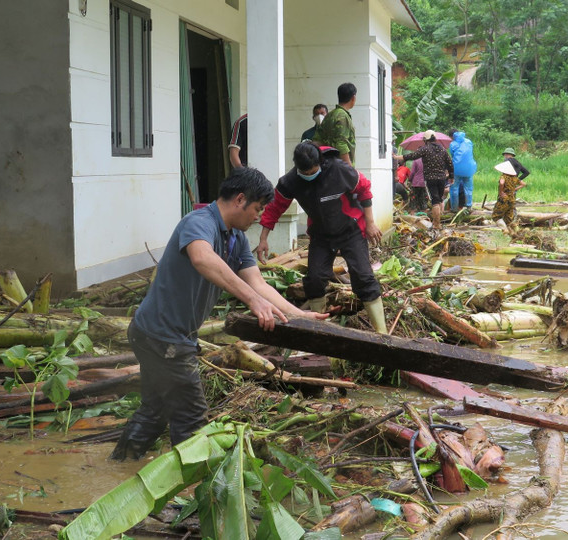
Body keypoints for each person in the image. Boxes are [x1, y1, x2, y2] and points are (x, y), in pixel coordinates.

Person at [110, 168, 328, 461]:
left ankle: (119, 465)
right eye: (257, 209)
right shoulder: (199, 222)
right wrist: (252, 301)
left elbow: (258, 283)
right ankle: (191, 491)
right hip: (162, 338)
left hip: (161, 336)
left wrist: (298, 316)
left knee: (155, 409)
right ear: (240, 199)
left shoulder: (235, 239)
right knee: (191, 416)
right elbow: (202, 257)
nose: (258, 217)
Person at [256, 142, 387, 332]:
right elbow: (274, 208)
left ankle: (382, 334)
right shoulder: (290, 181)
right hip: (321, 235)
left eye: (313, 172)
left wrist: (370, 222)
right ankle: (321, 329)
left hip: (351, 230)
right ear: (297, 167)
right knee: (315, 280)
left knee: (363, 277)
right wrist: (263, 239)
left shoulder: (339, 169)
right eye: (305, 173)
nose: (309, 176)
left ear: (320, 161)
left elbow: (364, 189)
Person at [395, 130, 453, 229]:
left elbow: (412, 156)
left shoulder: (425, 149)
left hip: (430, 179)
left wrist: (397, 157)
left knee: (434, 201)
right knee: (439, 200)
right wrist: (451, 176)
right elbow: (450, 163)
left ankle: (436, 224)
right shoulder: (443, 149)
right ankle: (437, 223)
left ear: (425, 140)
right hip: (441, 179)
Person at [314, 83, 357, 165]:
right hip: (340, 168)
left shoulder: (330, 115)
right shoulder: (342, 116)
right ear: (353, 98)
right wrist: (350, 170)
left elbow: (317, 141)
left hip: (327, 165)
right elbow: (341, 144)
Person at [490, 160, 527, 233]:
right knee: (509, 219)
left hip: (504, 199)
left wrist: (501, 192)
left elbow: (501, 183)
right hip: (512, 199)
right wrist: (514, 189)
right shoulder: (515, 178)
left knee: (496, 216)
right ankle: (516, 233)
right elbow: (523, 184)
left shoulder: (503, 176)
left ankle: (505, 230)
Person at [449, 129, 477, 212]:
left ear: (452, 136)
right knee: (468, 188)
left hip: (457, 169)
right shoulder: (468, 141)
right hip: (469, 168)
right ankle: (469, 206)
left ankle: (454, 208)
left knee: (454, 188)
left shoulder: (453, 144)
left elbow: (453, 155)